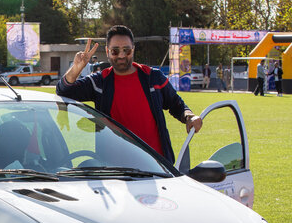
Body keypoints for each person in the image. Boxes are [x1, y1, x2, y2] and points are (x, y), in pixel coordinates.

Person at [56, 25, 202, 164]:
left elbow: (176, 104)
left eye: (126, 50)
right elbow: (64, 90)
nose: (121, 55)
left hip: (157, 167)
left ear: (133, 50)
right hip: (115, 170)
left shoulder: (153, 77)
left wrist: (190, 117)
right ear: (107, 51)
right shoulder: (100, 82)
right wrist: (76, 68)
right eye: (115, 51)